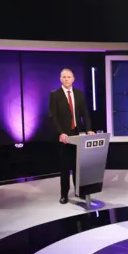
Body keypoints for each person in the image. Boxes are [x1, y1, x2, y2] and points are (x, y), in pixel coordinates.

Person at [49, 68, 94, 204]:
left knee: (77, 165)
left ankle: (78, 191)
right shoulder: (55, 95)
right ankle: (64, 194)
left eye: (69, 77)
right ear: (60, 79)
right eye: (64, 77)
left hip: (77, 134)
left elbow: (84, 113)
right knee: (64, 166)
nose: (66, 79)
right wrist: (60, 132)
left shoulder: (79, 94)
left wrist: (89, 129)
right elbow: (53, 116)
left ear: (73, 79)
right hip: (64, 136)